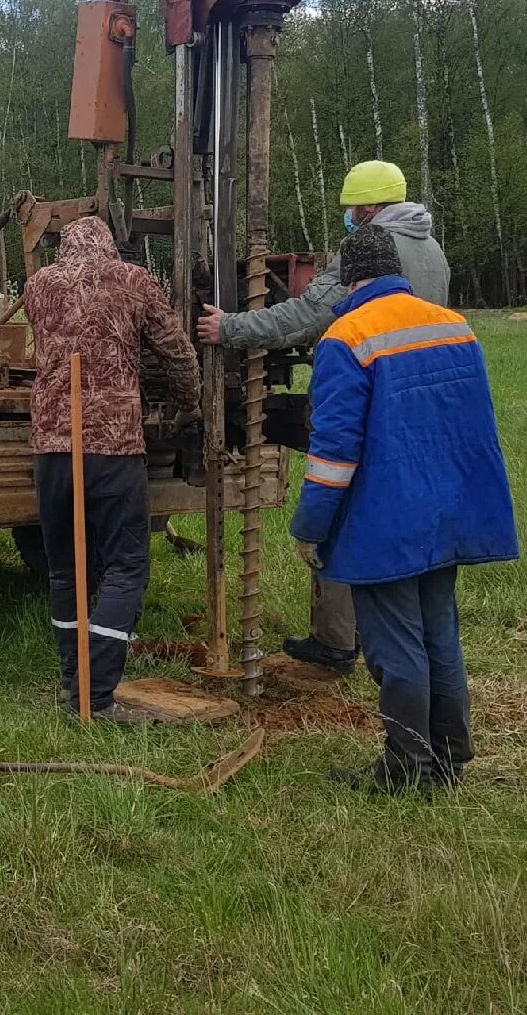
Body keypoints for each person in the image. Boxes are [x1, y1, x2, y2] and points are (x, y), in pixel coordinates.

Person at [195, 159, 450, 678]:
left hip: (364, 396)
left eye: (355, 209)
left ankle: (340, 641)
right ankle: (363, 634)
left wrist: (233, 327)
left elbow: (308, 315)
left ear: (372, 207)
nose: (351, 219)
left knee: (342, 509)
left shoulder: (369, 251)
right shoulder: (432, 251)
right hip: (417, 405)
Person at [291, 225, 517, 794]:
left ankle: (405, 769)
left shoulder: (347, 337)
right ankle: (450, 758)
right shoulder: (453, 326)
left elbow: (335, 451)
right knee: (440, 635)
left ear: (349, 277)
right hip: (451, 512)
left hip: (386, 521)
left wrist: (311, 527)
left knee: (396, 650)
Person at [24, 216, 200, 724]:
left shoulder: (38, 286)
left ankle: (71, 680)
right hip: (114, 444)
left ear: (65, 248)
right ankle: (95, 695)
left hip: (52, 446)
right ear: (109, 245)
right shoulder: (133, 280)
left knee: (66, 570)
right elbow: (177, 351)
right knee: (126, 567)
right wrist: (189, 403)